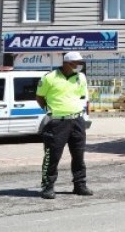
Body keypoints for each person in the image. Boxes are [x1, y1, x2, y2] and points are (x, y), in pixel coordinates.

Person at [36, 51, 92, 199]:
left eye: (80, 63)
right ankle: (48, 186)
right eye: (77, 63)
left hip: (77, 121)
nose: (80, 66)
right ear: (67, 63)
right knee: (53, 156)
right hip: (57, 122)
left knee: (79, 155)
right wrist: (50, 111)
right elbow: (40, 97)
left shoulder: (81, 77)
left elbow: (81, 96)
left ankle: (80, 185)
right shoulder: (49, 78)